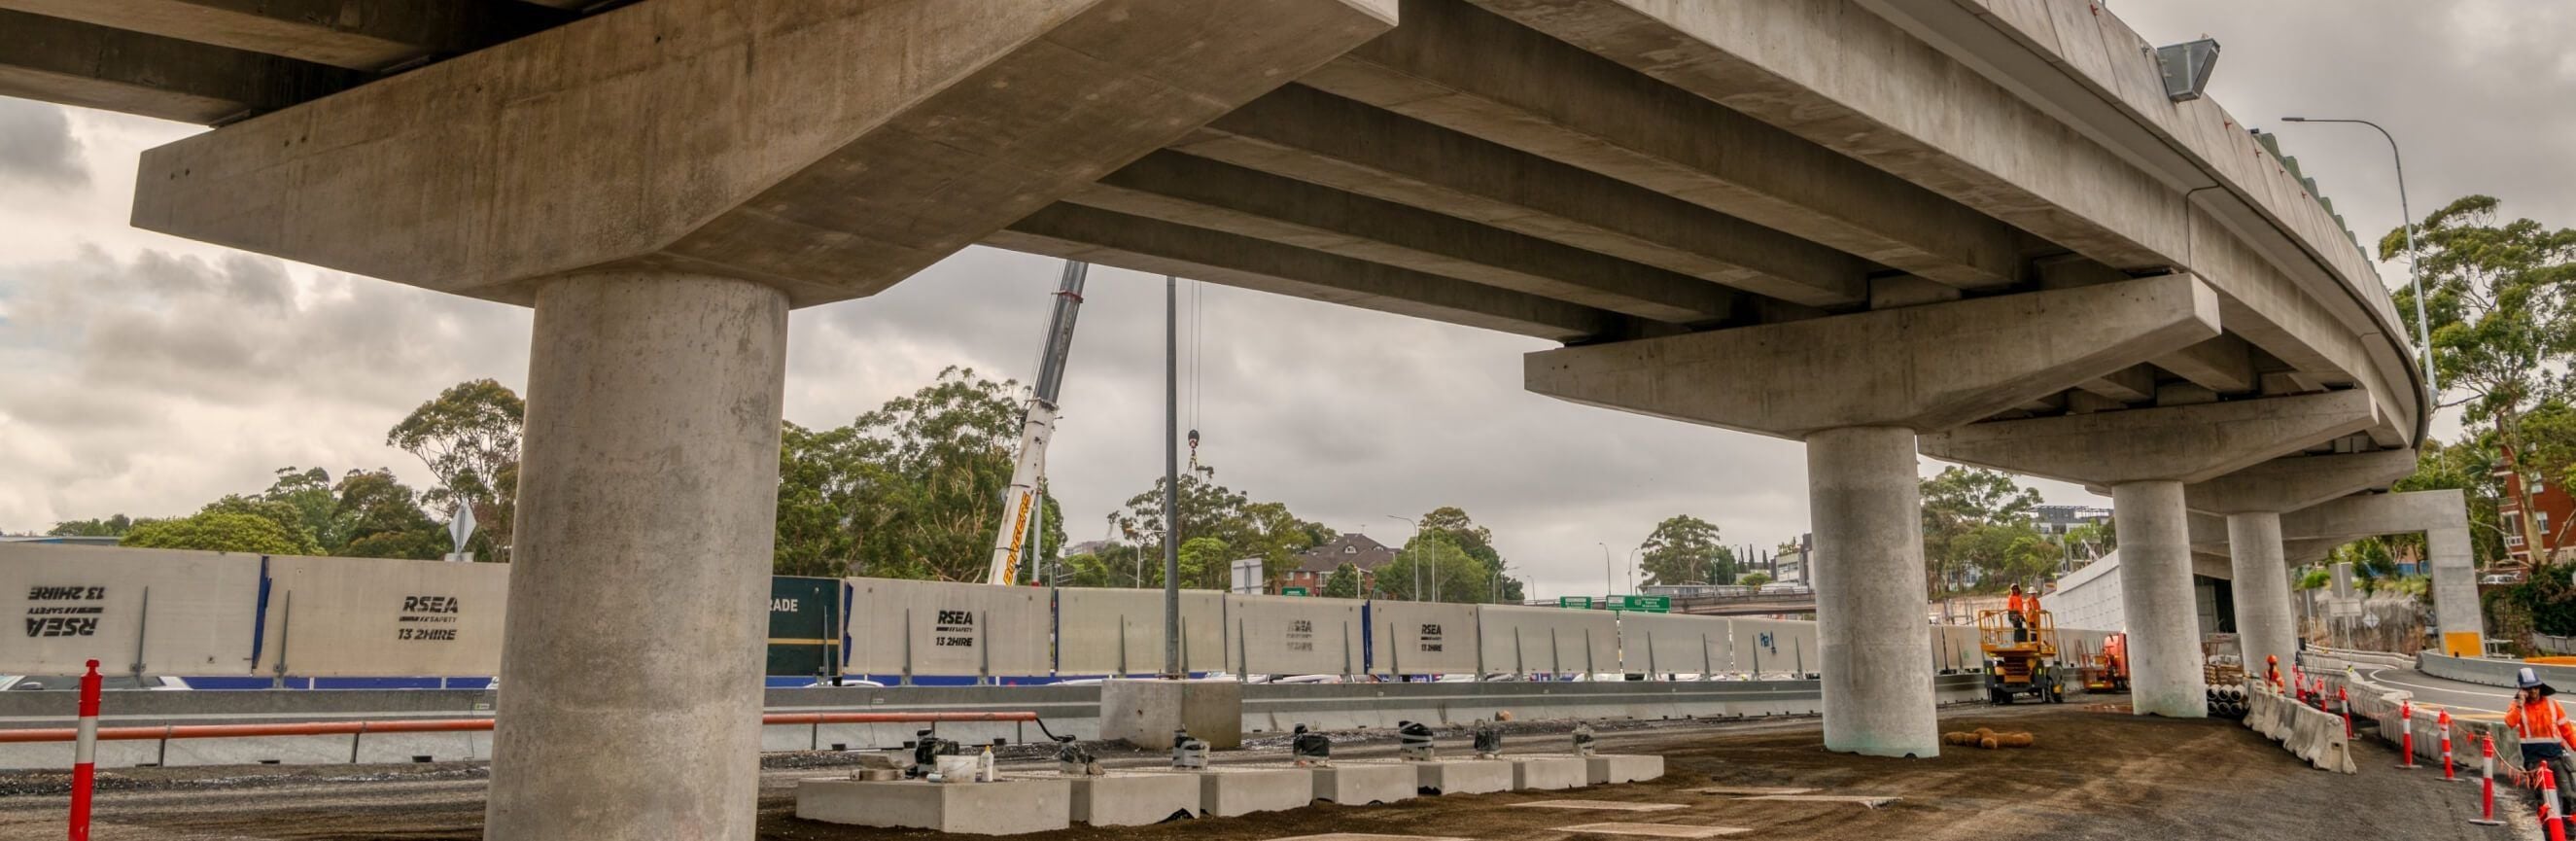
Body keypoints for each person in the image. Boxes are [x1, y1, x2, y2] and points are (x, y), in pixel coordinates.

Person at [2506, 667, 2576, 811]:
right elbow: (2510, 722)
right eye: (2528, 688)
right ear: (2522, 690)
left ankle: (2570, 831)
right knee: (2544, 800)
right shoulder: (2518, 706)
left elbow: (2568, 731)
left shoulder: (2553, 705)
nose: (2533, 691)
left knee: (2569, 795)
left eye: (2535, 687)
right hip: (2535, 761)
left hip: (2557, 757)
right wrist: (2520, 704)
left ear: (2540, 687)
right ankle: (2549, 832)